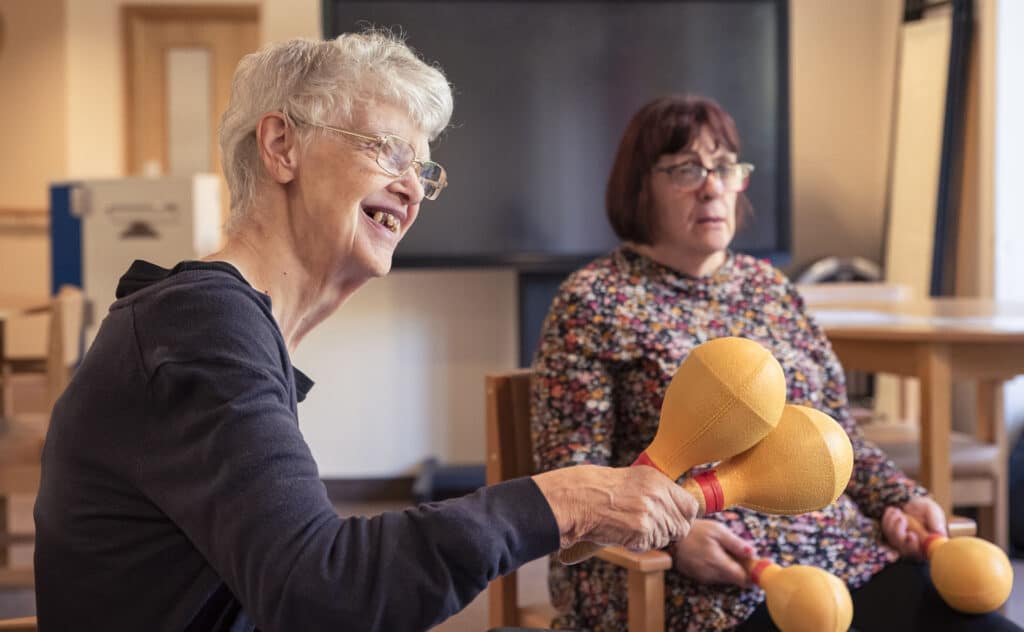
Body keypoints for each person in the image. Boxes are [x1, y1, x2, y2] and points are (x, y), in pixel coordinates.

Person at [32, 34, 700, 632]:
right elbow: (323, 593)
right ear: (281, 146)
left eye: (423, 170)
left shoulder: (215, 320)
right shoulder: (201, 326)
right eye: (388, 151)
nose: (412, 189)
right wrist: (562, 497)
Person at [531, 95, 1022, 632]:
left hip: (843, 556)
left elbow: (837, 432)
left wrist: (898, 497)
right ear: (639, 185)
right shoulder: (595, 298)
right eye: (687, 168)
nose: (712, 186)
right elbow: (574, 479)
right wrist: (675, 534)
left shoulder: (770, 289)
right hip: (705, 577)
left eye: (724, 167)